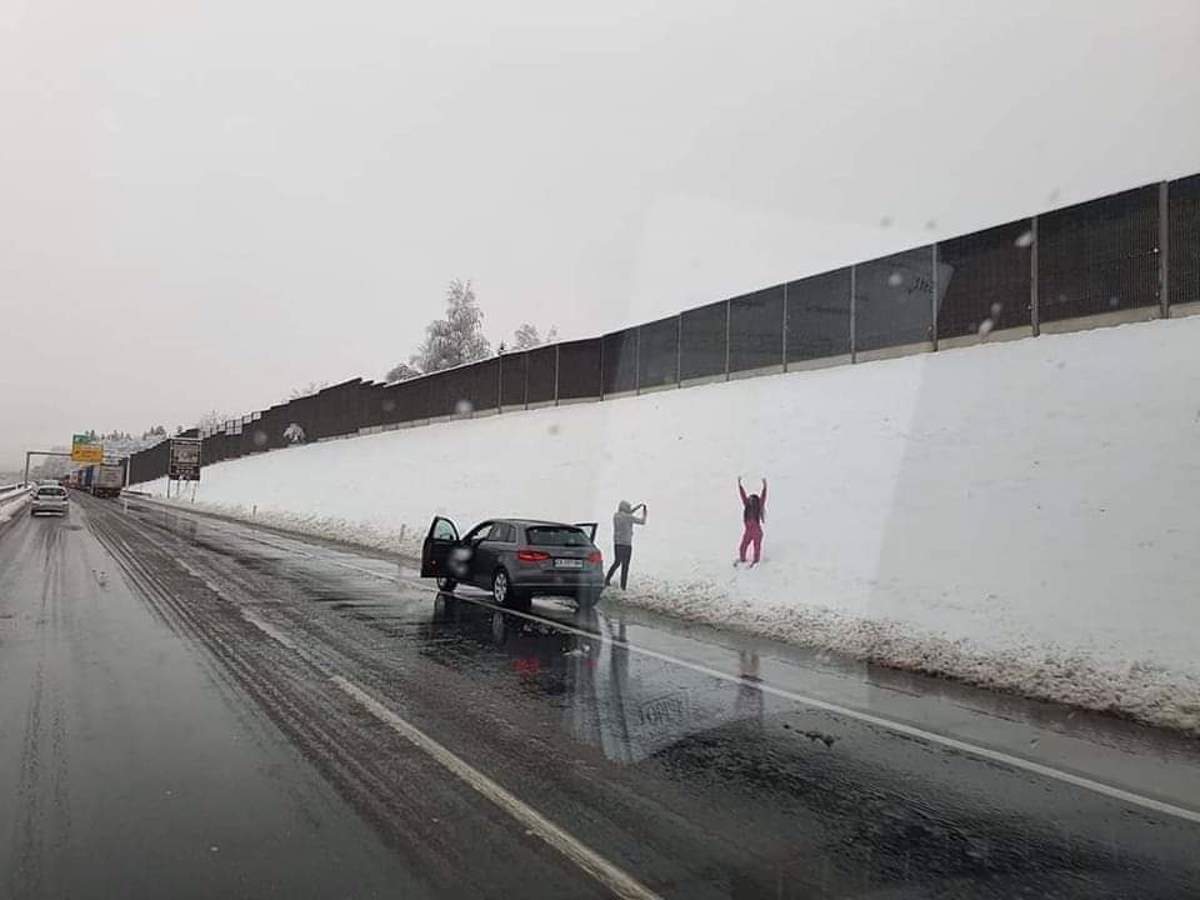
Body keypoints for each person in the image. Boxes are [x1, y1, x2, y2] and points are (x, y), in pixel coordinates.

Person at [605, 500, 646, 590]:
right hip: (627, 544)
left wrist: (637, 507)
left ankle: (607, 579)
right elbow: (642, 522)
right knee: (625, 566)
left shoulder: (616, 516)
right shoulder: (629, 518)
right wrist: (645, 513)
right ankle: (623, 586)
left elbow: (628, 513)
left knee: (617, 562)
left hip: (617, 544)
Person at [737, 476, 766, 565]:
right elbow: (743, 496)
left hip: (757, 532)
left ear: (755, 501)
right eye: (749, 499)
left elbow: (763, 497)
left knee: (756, 547)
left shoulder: (758, 506)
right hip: (748, 531)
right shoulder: (747, 506)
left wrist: (765, 487)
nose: (750, 500)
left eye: (752, 499)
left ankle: (756, 561)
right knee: (742, 547)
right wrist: (740, 486)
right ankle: (742, 560)